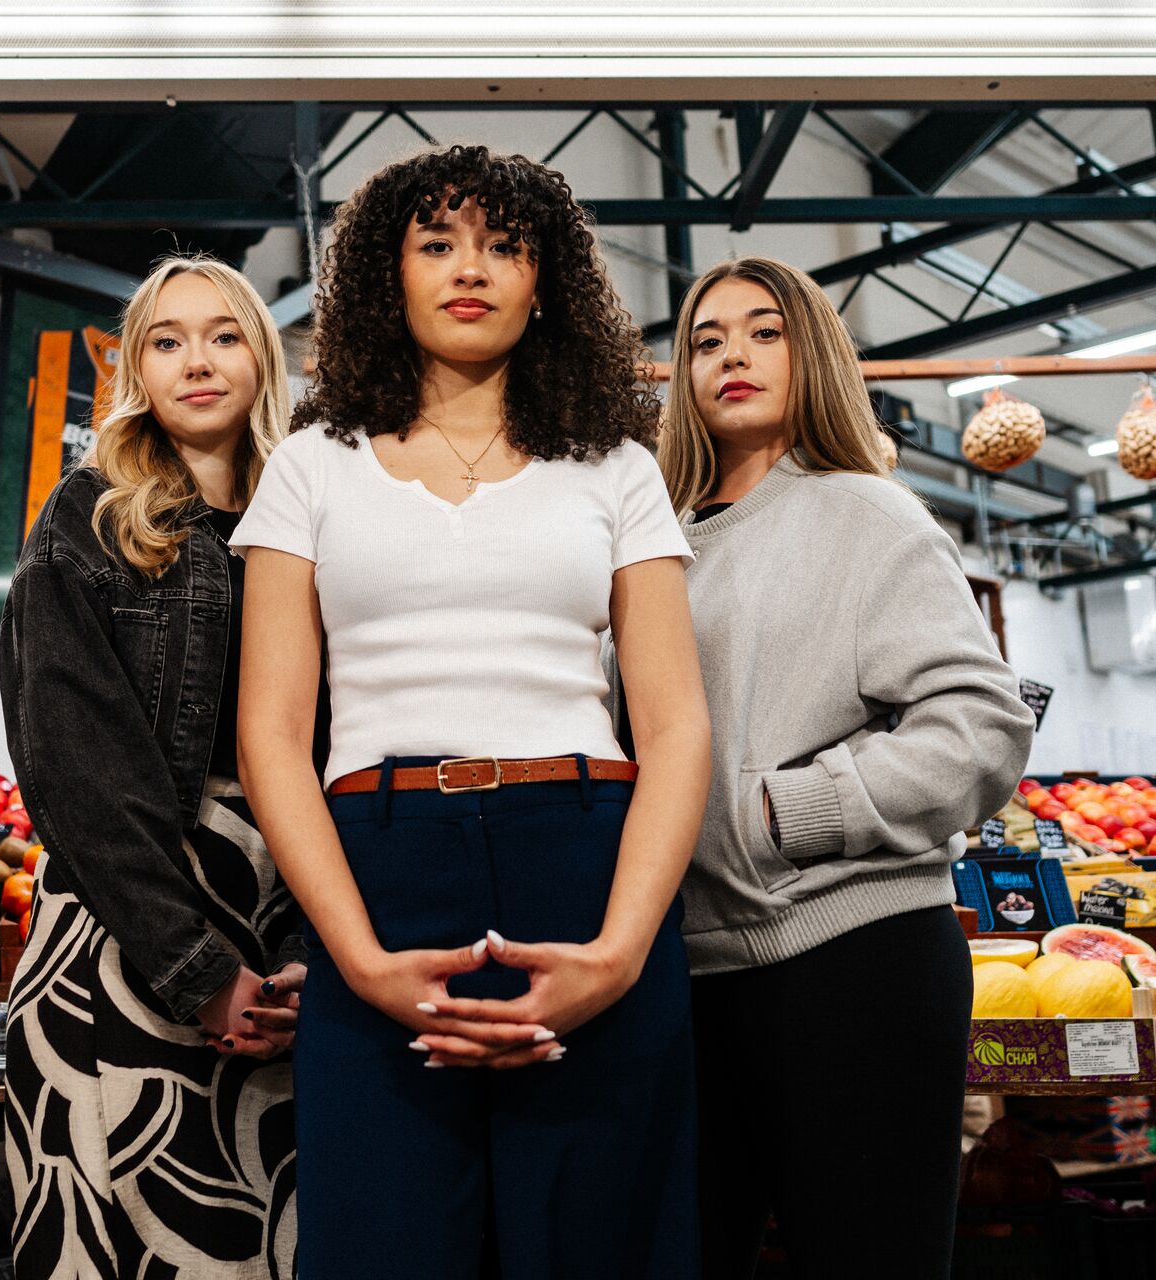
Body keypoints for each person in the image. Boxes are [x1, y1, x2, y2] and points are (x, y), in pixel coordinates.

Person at [234, 144, 712, 1279]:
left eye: (505, 246)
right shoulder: (311, 464)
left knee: (603, 1244)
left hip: (589, 865)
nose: (472, 268)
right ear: (384, 277)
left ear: (545, 282)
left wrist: (619, 951)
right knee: (384, 1247)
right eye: (437, 243)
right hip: (379, 881)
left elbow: (677, 724)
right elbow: (271, 733)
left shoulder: (616, 465)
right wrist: (357, 957)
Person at [647, 257, 1036, 1279]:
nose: (732, 354)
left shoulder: (867, 512)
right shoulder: (659, 543)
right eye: (706, 338)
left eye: (764, 331)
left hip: (850, 957)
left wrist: (780, 814)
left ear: (812, 351)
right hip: (689, 977)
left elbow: (982, 724)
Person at [0, 256, 308, 1278]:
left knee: (271, 1233)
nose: (197, 361)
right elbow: (74, 762)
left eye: (223, 335)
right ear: (136, 367)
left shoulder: (313, 518)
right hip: (123, 916)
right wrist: (196, 967)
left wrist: (317, 943)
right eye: (166, 340)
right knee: (116, 1244)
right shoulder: (86, 517)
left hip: (283, 908)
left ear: (261, 357)